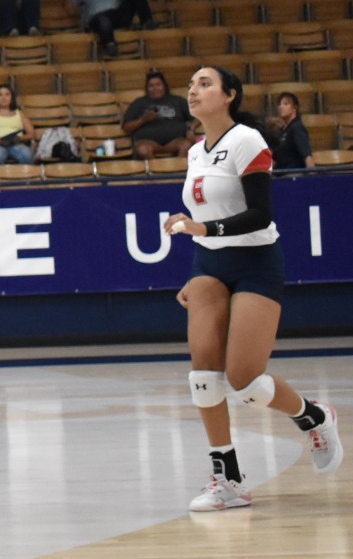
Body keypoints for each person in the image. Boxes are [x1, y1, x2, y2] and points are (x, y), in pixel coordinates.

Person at [164, 66, 340, 511]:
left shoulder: (246, 141)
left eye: (204, 83)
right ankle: (229, 480)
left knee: (246, 382)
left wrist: (202, 225)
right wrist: (197, 263)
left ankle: (313, 416)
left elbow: (259, 214)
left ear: (230, 95)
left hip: (256, 263)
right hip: (209, 264)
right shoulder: (195, 153)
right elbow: (203, 228)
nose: (193, 90)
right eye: (191, 84)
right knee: (203, 376)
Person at [123, 70, 192, 162]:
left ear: (164, 86)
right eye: (151, 86)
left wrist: (191, 130)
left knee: (186, 145)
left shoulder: (177, 101)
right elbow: (126, 127)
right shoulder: (139, 103)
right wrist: (143, 119)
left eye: (158, 85)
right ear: (147, 88)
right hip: (148, 142)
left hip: (175, 141)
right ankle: (156, 173)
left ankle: (178, 172)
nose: (155, 88)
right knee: (143, 149)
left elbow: (198, 116)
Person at [0, 83, 37, 167]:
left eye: (7, 94)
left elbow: (32, 134)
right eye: (0, 95)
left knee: (26, 154)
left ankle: (26, 179)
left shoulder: (19, 113)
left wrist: (19, 138)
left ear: (11, 97)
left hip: (15, 144)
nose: (4, 98)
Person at [269, 91, 315, 171]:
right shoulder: (283, 130)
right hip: (281, 174)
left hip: (293, 176)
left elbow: (307, 155)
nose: (281, 107)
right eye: (280, 104)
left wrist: (311, 178)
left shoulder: (297, 128)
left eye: (285, 104)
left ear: (294, 108)